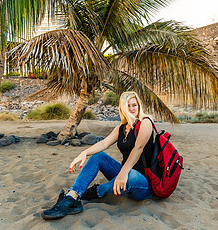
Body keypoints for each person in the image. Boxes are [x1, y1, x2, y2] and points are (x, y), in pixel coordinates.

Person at [41, 91, 155, 220]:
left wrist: (124, 172)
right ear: (123, 107)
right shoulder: (122, 128)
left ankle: (95, 191)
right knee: (98, 156)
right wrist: (84, 153)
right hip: (123, 176)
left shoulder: (146, 122)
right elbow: (104, 143)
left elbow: (138, 148)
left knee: (131, 174)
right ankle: (72, 197)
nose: (132, 109)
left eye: (134, 105)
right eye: (128, 105)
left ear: (139, 106)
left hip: (142, 183)